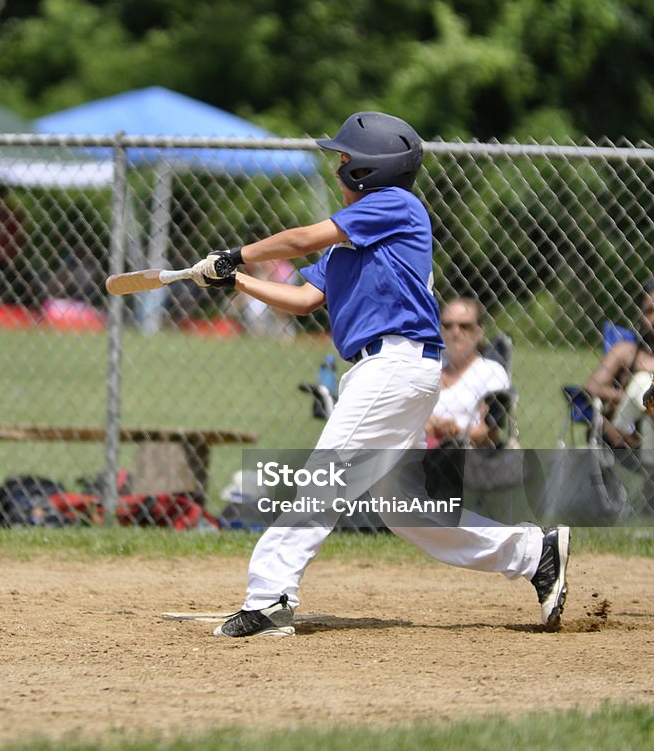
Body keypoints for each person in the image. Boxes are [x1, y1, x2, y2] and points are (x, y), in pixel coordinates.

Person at [189, 111, 569, 637]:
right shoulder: (351, 240)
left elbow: (299, 238)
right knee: (405, 511)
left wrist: (238, 253)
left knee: (323, 481)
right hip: (390, 371)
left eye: (344, 159)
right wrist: (238, 282)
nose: (337, 167)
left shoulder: (394, 205)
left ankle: (269, 598)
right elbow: (303, 299)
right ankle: (534, 551)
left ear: (369, 169)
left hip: (393, 367)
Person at [426, 298, 511, 448]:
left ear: (479, 331)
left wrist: (454, 430)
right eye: (447, 325)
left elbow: (490, 433)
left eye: (464, 326)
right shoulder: (429, 367)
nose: (455, 332)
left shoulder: (490, 372)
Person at [585, 279, 654, 451]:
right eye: (650, 311)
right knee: (641, 382)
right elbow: (592, 387)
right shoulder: (626, 351)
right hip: (627, 435)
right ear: (641, 315)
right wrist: (632, 397)